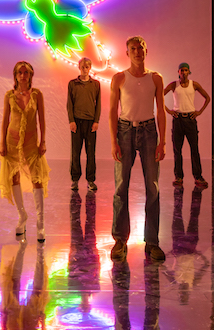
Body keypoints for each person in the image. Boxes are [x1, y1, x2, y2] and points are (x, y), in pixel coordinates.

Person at [109, 36, 167, 262]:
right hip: (125, 131)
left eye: (140, 47)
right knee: (121, 186)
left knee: (152, 187)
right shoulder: (119, 78)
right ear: (127, 53)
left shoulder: (156, 78)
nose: (137, 51)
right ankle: (120, 240)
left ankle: (152, 242)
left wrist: (162, 141)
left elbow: (161, 110)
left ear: (146, 50)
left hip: (149, 131)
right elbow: (113, 110)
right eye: (132, 48)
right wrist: (114, 141)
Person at [0, 61, 50, 242]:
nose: (23, 75)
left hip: (31, 143)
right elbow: (5, 121)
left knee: (37, 179)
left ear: (30, 75)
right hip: (12, 142)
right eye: (20, 73)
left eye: (26, 72)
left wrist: (43, 141)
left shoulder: (37, 95)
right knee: (14, 177)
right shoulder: (9, 96)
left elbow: (42, 120)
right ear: (15, 76)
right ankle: (22, 217)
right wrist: (2, 144)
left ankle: (41, 222)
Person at [164, 62, 210, 188]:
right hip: (178, 120)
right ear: (178, 72)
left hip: (190, 119)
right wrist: (168, 111)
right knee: (177, 150)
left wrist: (199, 112)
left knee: (194, 149)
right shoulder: (174, 85)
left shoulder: (194, 84)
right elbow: (159, 96)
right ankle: (178, 176)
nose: (183, 72)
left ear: (189, 72)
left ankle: (198, 177)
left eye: (185, 70)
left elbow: (207, 97)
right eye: (181, 70)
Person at [66, 57, 101, 192]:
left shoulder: (95, 84)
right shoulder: (72, 84)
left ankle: (91, 180)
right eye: (82, 67)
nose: (85, 69)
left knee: (90, 153)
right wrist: (71, 121)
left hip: (90, 123)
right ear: (79, 67)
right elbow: (69, 104)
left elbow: (98, 104)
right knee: (75, 152)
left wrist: (96, 121)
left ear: (90, 68)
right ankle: (75, 180)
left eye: (87, 67)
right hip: (77, 122)